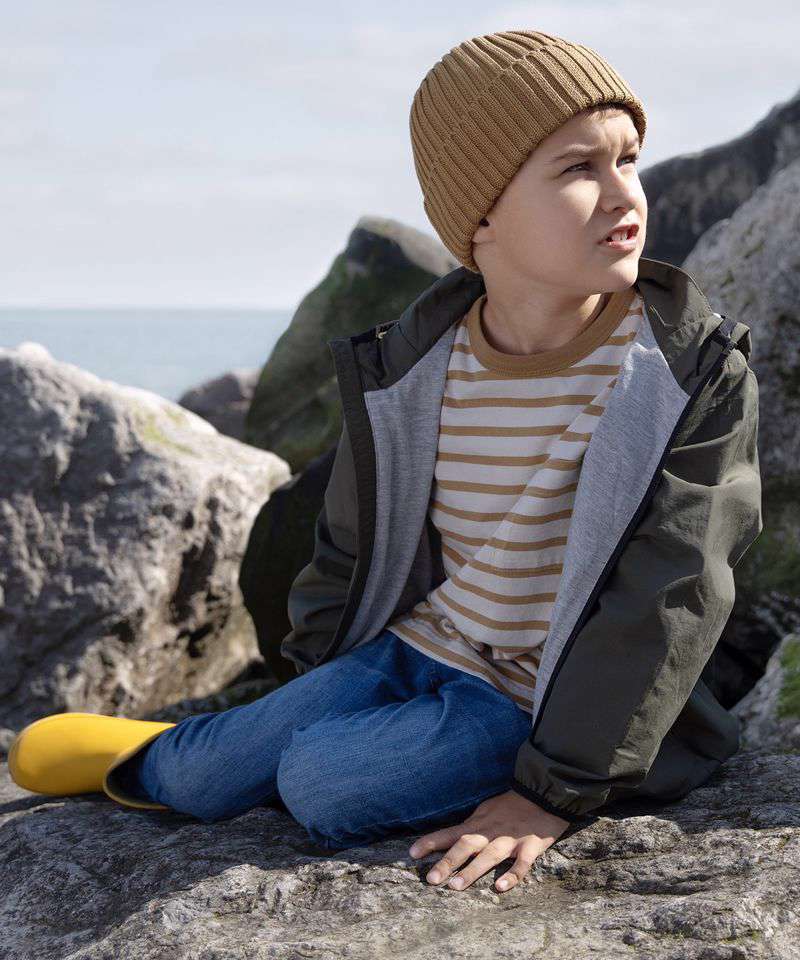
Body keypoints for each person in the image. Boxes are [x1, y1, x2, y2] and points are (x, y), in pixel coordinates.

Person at [8, 29, 762, 896]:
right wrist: (318, 679)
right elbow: (351, 537)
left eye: (628, 158)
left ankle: (241, 750)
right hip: (420, 646)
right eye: (578, 169)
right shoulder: (418, 361)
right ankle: (165, 755)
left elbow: (671, 595)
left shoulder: (685, 374)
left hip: (542, 700)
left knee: (324, 783)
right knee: (207, 776)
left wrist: (551, 792)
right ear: (481, 218)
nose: (624, 192)